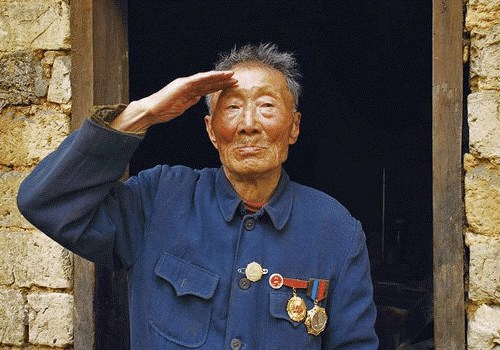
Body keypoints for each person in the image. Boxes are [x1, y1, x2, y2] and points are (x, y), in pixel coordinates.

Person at [17, 43, 378, 349]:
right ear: (211, 130)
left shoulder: (335, 231)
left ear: (294, 127)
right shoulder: (159, 199)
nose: (248, 123)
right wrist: (142, 114)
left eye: (267, 106)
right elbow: (45, 201)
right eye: (233, 107)